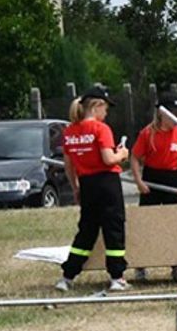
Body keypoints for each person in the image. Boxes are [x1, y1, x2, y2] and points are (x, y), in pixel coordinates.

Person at [56, 86, 130, 292]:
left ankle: (68, 275)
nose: (106, 113)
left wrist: (76, 187)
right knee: (113, 228)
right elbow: (108, 159)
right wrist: (122, 154)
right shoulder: (101, 129)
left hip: (87, 184)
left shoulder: (70, 132)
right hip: (107, 183)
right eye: (105, 108)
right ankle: (117, 276)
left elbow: (69, 165)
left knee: (86, 231)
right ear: (97, 106)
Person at [132, 93, 177, 205]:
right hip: (152, 178)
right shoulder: (148, 133)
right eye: (175, 115)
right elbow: (135, 157)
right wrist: (139, 181)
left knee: (174, 217)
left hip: (174, 178)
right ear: (162, 113)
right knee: (150, 215)